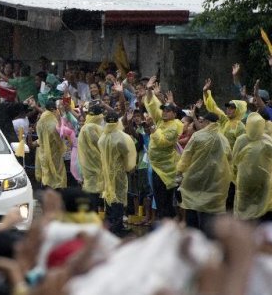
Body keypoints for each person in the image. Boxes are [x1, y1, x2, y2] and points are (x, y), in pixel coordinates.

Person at [177, 112, 232, 231]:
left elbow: (186, 156)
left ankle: (194, 241)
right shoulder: (223, 139)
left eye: (202, 121)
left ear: (207, 122)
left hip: (194, 181)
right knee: (209, 220)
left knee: (192, 213)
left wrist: (179, 171)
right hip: (215, 184)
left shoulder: (197, 136)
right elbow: (229, 159)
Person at [143, 76, 183, 219]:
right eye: (164, 110)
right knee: (160, 201)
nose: (164, 112)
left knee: (165, 203)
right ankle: (164, 226)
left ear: (174, 113)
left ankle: (169, 228)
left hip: (167, 171)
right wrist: (148, 90)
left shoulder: (175, 126)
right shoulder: (161, 121)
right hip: (156, 168)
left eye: (167, 111)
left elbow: (162, 142)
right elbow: (152, 106)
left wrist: (152, 128)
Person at [98, 111, 137, 236]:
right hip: (118, 173)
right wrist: (129, 166)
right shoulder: (121, 138)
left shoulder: (102, 137)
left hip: (105, 172)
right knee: (118, 199)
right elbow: (126, 153)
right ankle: (117, 227)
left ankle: (110, 224)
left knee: (109, 197)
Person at [232, 112, 272, 220]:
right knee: (261, 209)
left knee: (244, 211)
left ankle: (245, 233)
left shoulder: (241, 140)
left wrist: (235, 177)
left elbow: (234, 160)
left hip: (245, 181)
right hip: (263, 181)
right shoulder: (267, 140)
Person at [34, 99, 67, 190]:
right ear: (54, 110)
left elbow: (39, 136)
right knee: (57, 176)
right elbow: (59, 138)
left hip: (43, 152)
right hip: (54, 152)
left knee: (47, 174)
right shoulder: (53, 122)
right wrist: (63, 147)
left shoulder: (41, 120)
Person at [77, 104, 105, 210]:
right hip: (95, 165)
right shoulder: (91, 128)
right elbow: (99, 142)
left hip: (88, 165)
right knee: (94, 193)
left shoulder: (85, 127)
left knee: (92, 190)